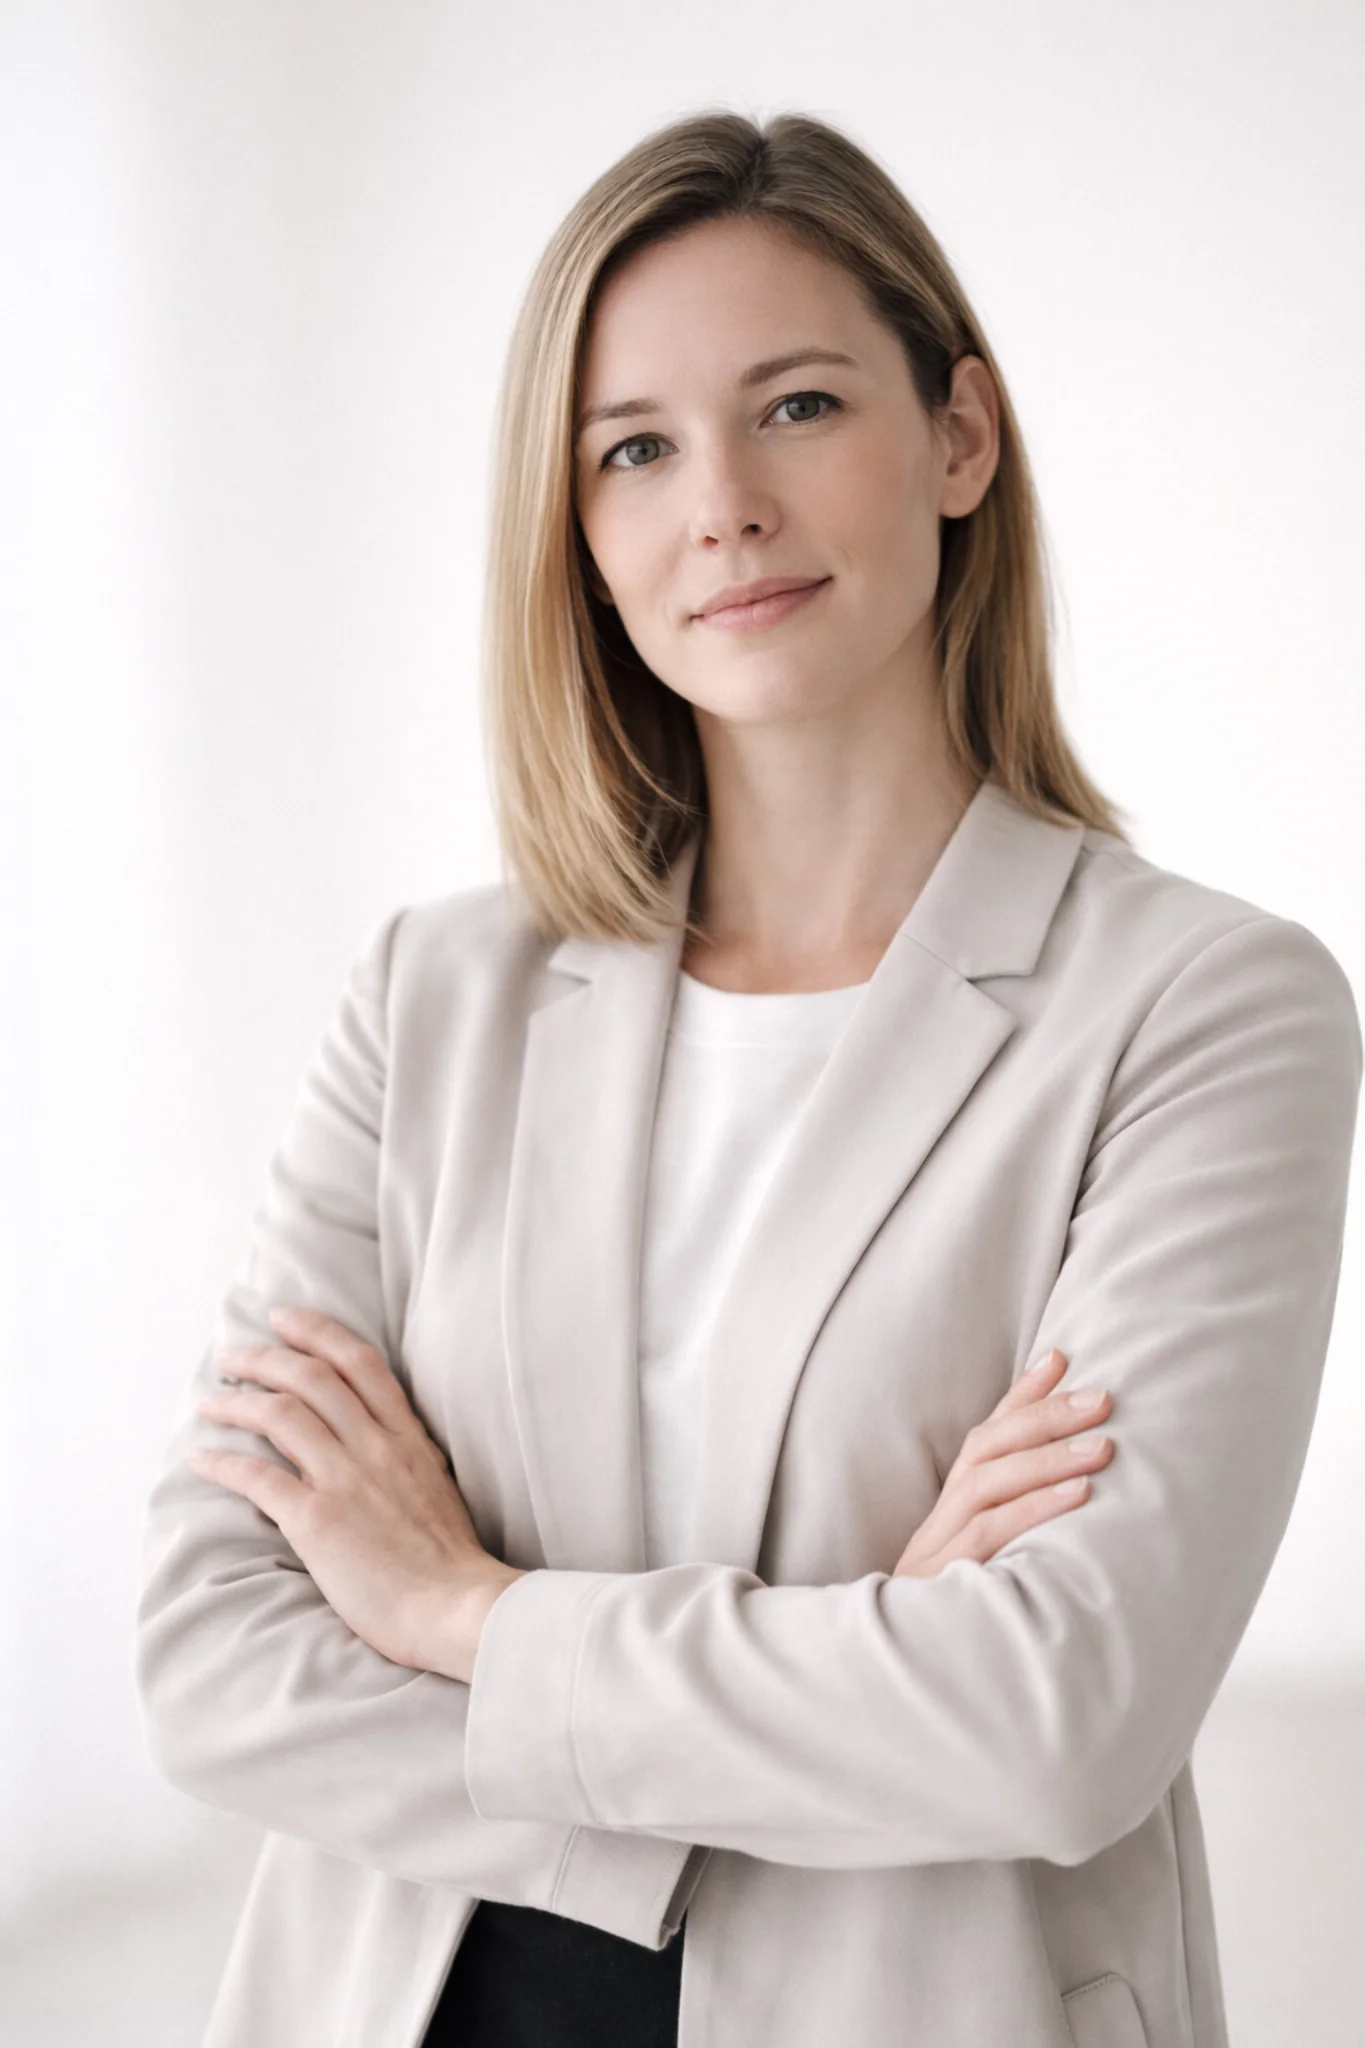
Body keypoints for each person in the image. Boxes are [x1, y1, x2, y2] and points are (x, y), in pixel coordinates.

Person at [135, 110, 1361, 2048]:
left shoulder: (1206, 1005)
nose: (719, 503)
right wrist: (855, 1687)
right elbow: (211, 1652)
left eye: (795, 407)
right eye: (632, 447)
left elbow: (1052, 1719)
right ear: (581, 527)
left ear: (958, 435)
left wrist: (456, 1610)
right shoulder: (431, 991)